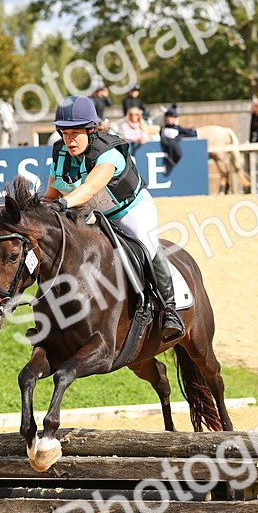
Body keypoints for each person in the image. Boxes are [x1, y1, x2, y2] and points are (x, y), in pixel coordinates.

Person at [42, 95, 184, 341]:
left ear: (90, 131)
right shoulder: (61, 156)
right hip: (96, 216)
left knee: (146, 244)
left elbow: (89, 188)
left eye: (75, 133)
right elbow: (49, 196)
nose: (69, 139)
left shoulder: (108, 153)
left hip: (130, 211)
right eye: (64, 133)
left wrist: (62, 204)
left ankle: (169, 309)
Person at [159, 105, 198, 171]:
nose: (169, 119)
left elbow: (188, 133)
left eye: (172, 117)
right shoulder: (163, 129)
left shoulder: (177, 128)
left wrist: (192, 131)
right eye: (168, 117)